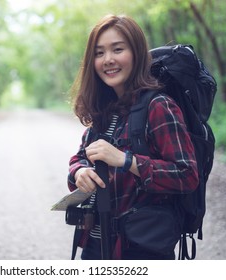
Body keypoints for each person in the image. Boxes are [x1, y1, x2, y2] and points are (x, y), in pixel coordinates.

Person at [67, 14, 199, 260]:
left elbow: (187, 175)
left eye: (117, 49)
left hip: (141, 248)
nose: (108, 60)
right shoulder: (104, 111)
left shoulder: (158, 106)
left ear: (137, 54)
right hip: (95, 244)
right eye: (99, 53)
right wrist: (79, 172)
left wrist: (127, 160)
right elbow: (80, 157)